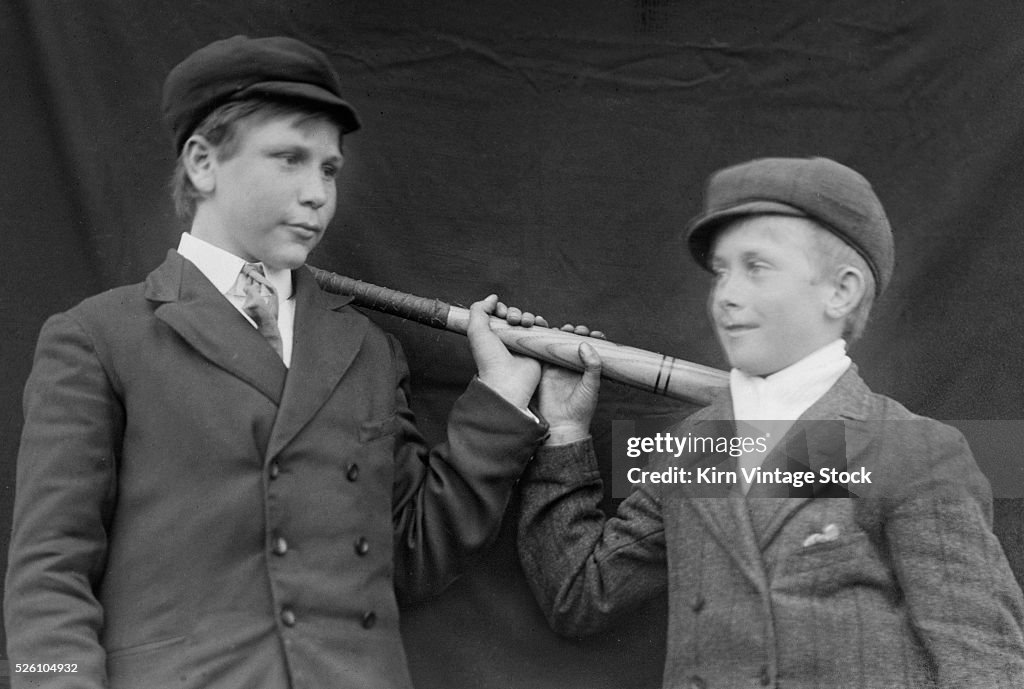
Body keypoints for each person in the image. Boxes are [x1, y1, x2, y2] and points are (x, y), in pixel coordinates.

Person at [5, 35, 551, 689]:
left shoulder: (368, 351)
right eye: (290, 158)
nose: (318, 192)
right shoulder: (98, 338)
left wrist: (500, 397)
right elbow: (47, 578)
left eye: (329, 169)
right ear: (204, 164)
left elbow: (408, 552)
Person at [518, 156, 1024, 688]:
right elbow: (582, 595)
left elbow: (984, 662)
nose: (726, 296)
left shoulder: (909, 451)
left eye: (757, 267)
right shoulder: (697, 447)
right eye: (721, 271)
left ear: (840, 292)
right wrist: (564, 431)